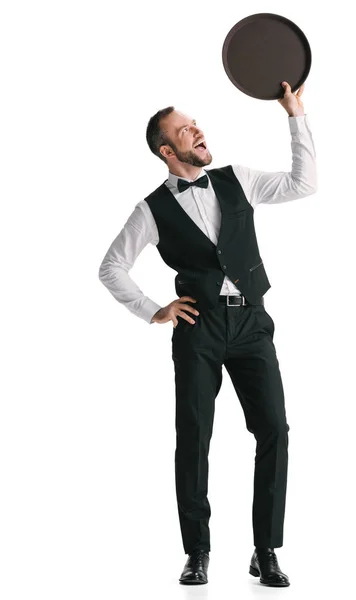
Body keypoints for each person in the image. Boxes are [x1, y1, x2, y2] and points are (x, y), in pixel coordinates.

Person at [98, 81, 317, 586]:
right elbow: (111, 266)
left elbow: (304, 184)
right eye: (184, 128)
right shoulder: (150, 209)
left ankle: (265, 549)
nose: (197, 130)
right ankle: (197, 552)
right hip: (198, 329)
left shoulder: (236, 178)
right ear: (166, 150)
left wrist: (295, 115)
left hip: (251, 323)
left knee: (275, 431)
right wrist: (155, 310)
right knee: (194, 438)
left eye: (195, 123)